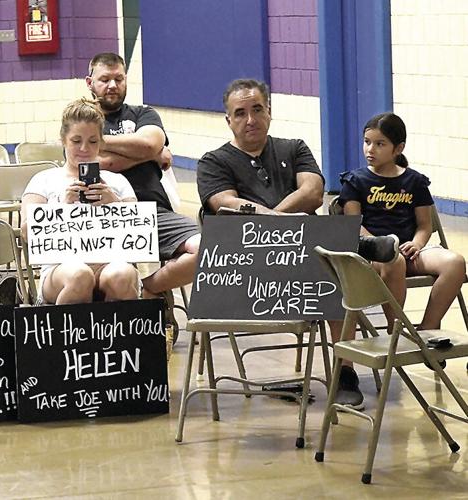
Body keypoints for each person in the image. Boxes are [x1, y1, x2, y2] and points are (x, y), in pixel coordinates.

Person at [196, 78, 400, 410]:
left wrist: (273, 220)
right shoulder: (213, 162)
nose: (251, 119)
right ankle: (360, 246)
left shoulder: (294, 148)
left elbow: (313, 192)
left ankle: (344, 372)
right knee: (328, 250)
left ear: (270, 112)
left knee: (335, 276)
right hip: (249, 269)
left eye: (257, 109)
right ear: (228, 120)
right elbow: (226, 204)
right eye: (241, 113)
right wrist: (282, 225)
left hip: (304, 263)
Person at [86, 53, 199, 299]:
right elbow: (97, 163)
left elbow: (149, 143)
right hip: (102, 220)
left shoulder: (143, 113)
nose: (113, 85)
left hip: (153, 212)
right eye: (104, 79)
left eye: (119, 78)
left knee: (208, 248)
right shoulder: (81, 120)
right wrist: (150, 155)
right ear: (89, 82)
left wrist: (101, 142)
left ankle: (149, 288)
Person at [340, 112, 466, 332]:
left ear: (398, 149)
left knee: (455, 263)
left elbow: (424, 225)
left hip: (409, 251)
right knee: (393, 259)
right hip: (373, 254)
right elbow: (353, 226)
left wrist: (417, 244)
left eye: (380, 144)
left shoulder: (414, 181)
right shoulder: (355, 181)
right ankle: (395, 329)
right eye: (367, 142)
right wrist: (383, 245)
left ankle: (428, 328)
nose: (370, 149)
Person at [20, 99, 141, 304]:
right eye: (76, 141)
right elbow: (26, 231)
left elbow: (139, 229)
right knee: (80, 275)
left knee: (122, 275)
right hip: (60, 269)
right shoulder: (43, 180)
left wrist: (115, 204)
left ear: (101, 142)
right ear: (63, 140)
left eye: (93, 141)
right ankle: (61, 334)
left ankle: (118, 335)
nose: (84, 148)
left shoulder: (117, 182)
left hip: (109, 262)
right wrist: (61, 206)